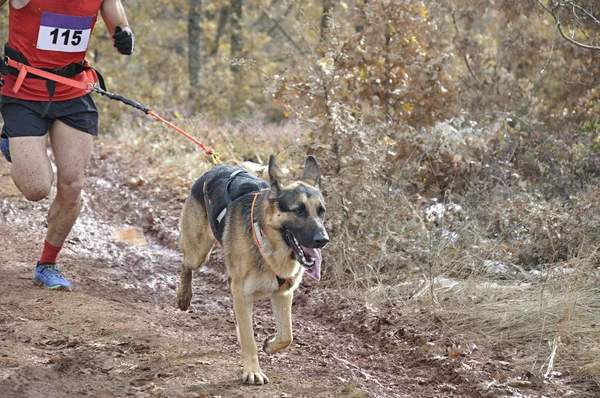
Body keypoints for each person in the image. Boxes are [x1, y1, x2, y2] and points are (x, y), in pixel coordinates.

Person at [0, 0, 134, 291]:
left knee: (72, 186)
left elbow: (119, 27)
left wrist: (124, 37)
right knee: (36, 188)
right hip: (22, 92)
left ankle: (47, 264)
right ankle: (12, 136)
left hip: (73, 91)